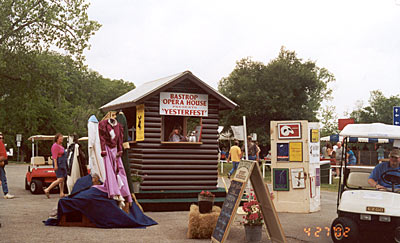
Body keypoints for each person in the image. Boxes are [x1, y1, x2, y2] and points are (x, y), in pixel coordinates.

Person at [44, 133, 67, 198]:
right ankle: (47, 189)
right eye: (60, 138)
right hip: (58, 163)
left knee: (62, 179)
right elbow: (54, 157)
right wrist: (56, 165)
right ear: (57, 139)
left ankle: (61, 193)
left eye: (62, 137)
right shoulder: (55, 146)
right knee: (60, 179)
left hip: (62, 163)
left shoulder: (61, 146)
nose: (62, 139)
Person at [0, 133, 14, 199]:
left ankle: (6, 193)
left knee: (3, 178)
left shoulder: (2, 144)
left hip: (1, 165)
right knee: (3, 179)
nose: (1, 138)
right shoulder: (0, 144)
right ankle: (6, 193)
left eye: (2, 137)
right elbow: (4, 156)